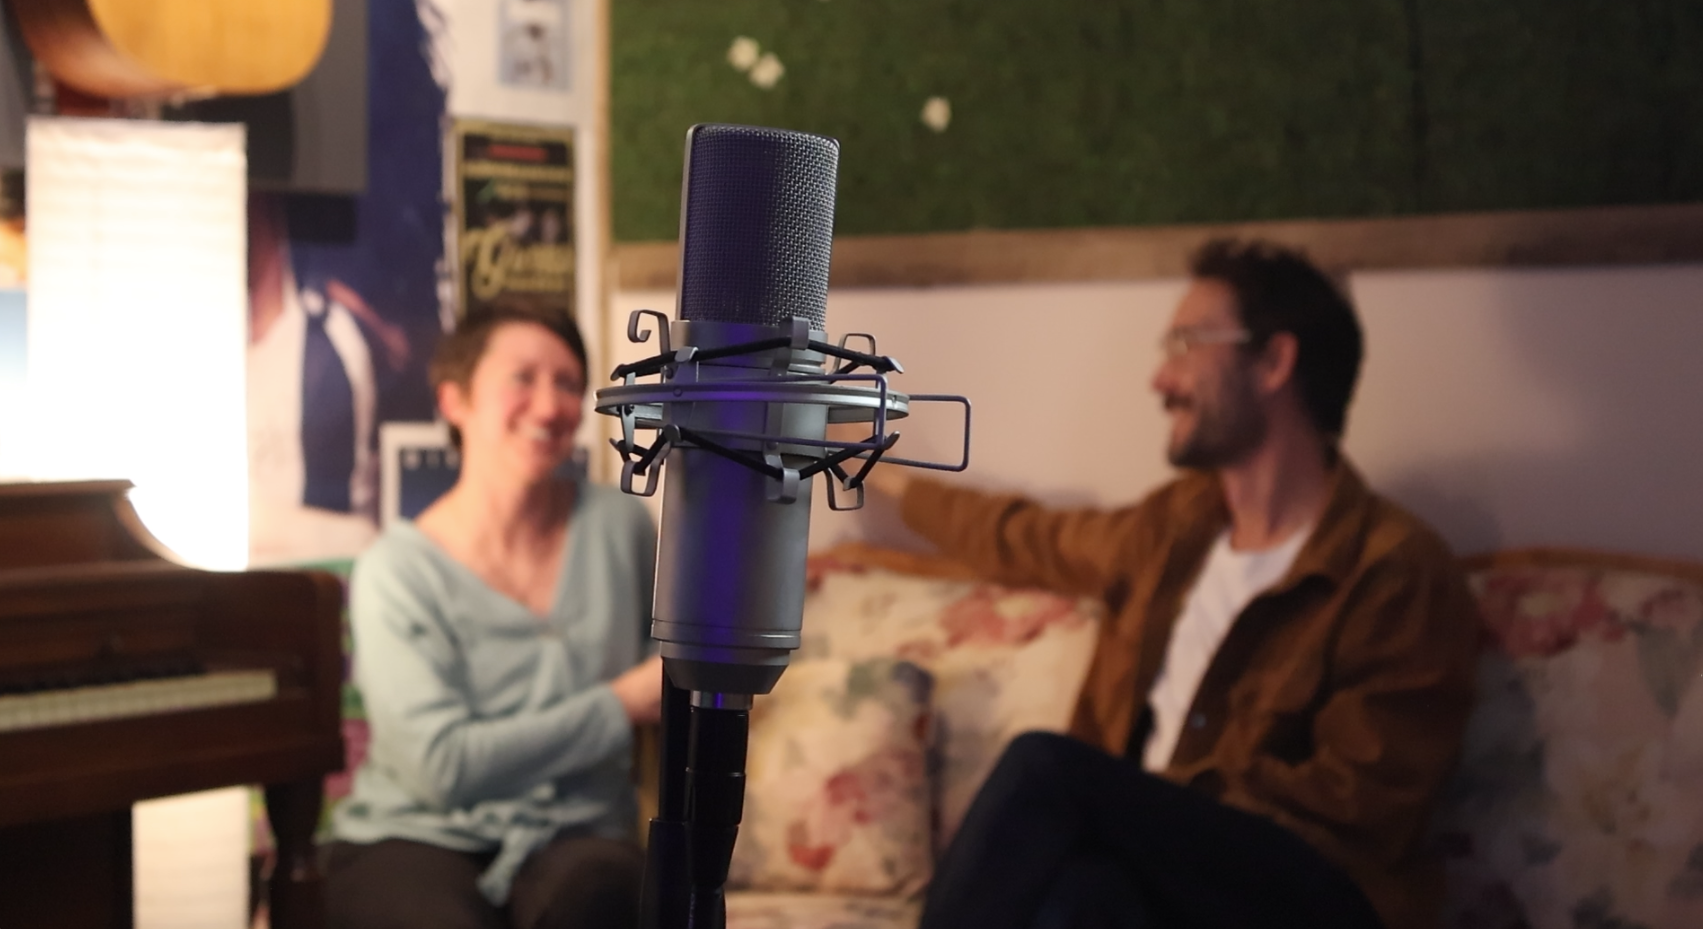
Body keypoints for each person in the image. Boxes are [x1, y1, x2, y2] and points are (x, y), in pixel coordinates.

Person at [859, 239, 1480, 929]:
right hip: (1160, 882)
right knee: (1082, 898)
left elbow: (1360, 805)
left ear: (1274, 361)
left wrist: (1146, 801)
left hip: (1314, 894)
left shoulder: (1393, 569)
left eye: (1186, 344)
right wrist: (877, 464)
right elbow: (1021, 535)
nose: (1160, 379)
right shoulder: (1170, 531)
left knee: (1046, 768)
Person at [327, 305, 664, 929]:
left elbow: (672, 683)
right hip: (415, 834)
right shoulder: (396, 571)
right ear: (454, 401)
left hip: (578, 833)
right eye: (522, 378)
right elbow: (441, 767)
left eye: (568, 383)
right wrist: (618, 706)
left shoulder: (621, 526)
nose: (550, 406)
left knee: (603, 896)